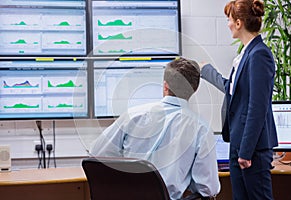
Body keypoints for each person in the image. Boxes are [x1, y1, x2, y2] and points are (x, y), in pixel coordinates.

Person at [90, 57, 221, 199]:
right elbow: (208, 188)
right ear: (194, 90)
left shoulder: (133, 115)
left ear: (165, 86)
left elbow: (96, 153)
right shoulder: (201, 129)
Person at [200, 0, 278, 199]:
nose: (227, 24)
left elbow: (257, 107)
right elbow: (233, 90)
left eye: (229, 19)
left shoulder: (260, 54)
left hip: (252, 149)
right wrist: (207, 71)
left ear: (239, 23)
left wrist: (245, 151)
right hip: (238, 143)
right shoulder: (246, 54)